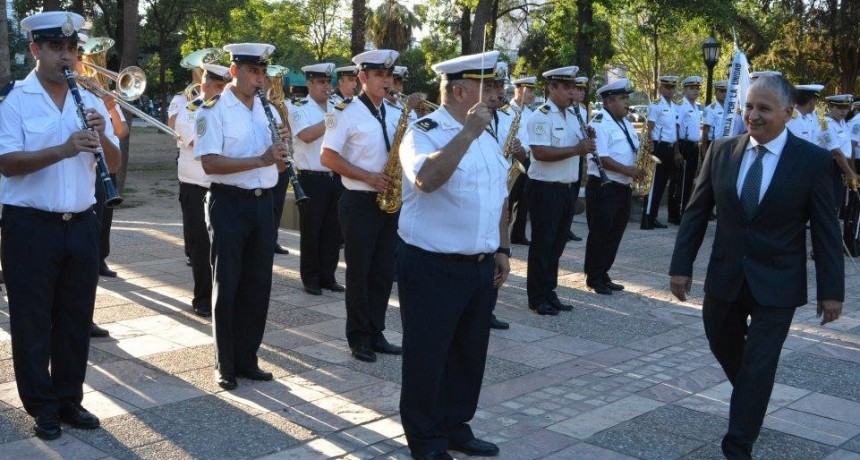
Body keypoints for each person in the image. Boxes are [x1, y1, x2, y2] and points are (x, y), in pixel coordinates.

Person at [669, 74, 844, 459]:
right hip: (726, 275)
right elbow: (696, 213)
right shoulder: (721, 150)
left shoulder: (812, 161)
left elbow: (827, 232)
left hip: (778, 282)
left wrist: (832, 292)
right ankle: (752, 397)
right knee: (724, 344)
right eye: (748, 106)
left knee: (760, 361)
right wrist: (681, 265)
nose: (753, 115)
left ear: (787, 112)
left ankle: (738, 444)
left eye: (763, 108)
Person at [0, 11, 121, 440]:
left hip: (82, 222)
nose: (66, 57)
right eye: (56, 48)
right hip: (30, 226)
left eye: (72, 49)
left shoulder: (88, 98)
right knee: (33, 322)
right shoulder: (12, 98)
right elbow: (8, 164)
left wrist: (102, 134)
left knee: (75, 318)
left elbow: (115, 162)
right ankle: (42, 406)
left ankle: (70, 399)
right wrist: (64, 148)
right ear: (35, 50)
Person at [398, 49, 509, 460]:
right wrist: (466, 135)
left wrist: (500, 247)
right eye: (489, 85)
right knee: (428, 356)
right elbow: (426, 179)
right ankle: (425, 441)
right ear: (460, 91)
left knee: (468, 354)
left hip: (479, 267)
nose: (498, 92)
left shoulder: (491, 133)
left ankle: (455, 425)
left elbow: (498, 194)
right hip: (432, 266)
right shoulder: (423, 131)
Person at [194, 42, 286, 390]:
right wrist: (260, 160)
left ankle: (248, 358)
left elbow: (276, 161)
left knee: (258, 285)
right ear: (235, 71)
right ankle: (225, 363)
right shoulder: (211, 109)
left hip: (264, 204)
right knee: (228, 284)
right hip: (229, 203)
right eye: (253, 71)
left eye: (263, 72)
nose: (260, 79)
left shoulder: (269, 111)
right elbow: (210, 163)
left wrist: (280, 156)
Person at [321, 49, 403, 363]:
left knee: (383, 272)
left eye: (388, 75)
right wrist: (368, 176)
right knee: (360, 272)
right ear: (362, 78)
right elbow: (327, 157)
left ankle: (376, 331)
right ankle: (358, 338)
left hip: (389, 199)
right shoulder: (344, 112)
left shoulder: (395, 112)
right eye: (379, 75)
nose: (386, 80)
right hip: (358, 201)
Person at [525, 66, 595, 314]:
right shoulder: (541, 116)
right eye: (566, 87)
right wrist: (577, 149)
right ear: (551, 88)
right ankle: (536, 297)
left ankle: (549, 290)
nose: (572, 92)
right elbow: (540, 152)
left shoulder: (574, 115)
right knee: (542, 245)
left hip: (567, 188)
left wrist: (587, 140)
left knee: (557, 244)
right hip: (545, 189)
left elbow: (578, 146)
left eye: (574, 87)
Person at [174, 63, 230, 317]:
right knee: (201, 249)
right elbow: (204, 146)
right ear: (204, 86)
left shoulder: (231, 110)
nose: (222, 91)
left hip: (225, 188)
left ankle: (227, 298)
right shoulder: (189, 111)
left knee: (227, 247)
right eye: (218, 86)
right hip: (196, 188)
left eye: (225, 86)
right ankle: (204, 299)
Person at [583, 79, 645, 295]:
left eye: (627, 98)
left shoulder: (625, 122)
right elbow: (602, 157)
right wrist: (629, 171)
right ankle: (593, 276)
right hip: (604, 186)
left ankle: (604, 272)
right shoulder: (600, 122)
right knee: (600, 233)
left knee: (615, 233)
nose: (627, 103)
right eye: (623, 98)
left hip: (622, 187)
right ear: (609, 101)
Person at [291, 62, 345, 295]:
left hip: (336, 176)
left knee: (333, 231)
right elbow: (306, 135)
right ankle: (310, 278)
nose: (326, 87)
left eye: (328, 82)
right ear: (310, 83)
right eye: (321, 82)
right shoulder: (298, 107)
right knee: (312, 230)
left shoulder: (336, 106)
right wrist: (333, 118)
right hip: (311, 178)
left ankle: (328, 275)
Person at [642, 75, 680, 229]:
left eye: (673, 87)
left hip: (670, 148)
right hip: (659, 147)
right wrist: (649, 147)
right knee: (654, 183)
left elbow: (675, 131)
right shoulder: (656, 105)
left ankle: (654, 216)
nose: (671, 90)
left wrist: (677, 152)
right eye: (667, 87)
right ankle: (647, 217)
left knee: (663, 183)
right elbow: (649, 129)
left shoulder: (674, 106)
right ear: (660, 88)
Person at [667, 76, 702, 224]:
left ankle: (683, 210)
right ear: (684, 90)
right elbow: (675, 128)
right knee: (680, 181)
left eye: (697, 88)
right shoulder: (681, 106)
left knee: (688, 181)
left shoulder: (695, 107)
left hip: (693, 147)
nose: (695, 91)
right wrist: (676, 152)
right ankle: (676, 213)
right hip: (683, 146)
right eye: (691, 88)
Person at [508, 76, 536, 245]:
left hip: (526, 158)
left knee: (525, 198)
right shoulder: (508, 111)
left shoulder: (529, 112)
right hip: (513, 159)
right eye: (529, 90)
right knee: (509, 197)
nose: (532, 95)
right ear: (519, 89)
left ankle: (518, 234)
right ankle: (503, 234)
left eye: (533, 91)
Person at [701, 80, 727, 155]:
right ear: (715, 92)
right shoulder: (710, 109)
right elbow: (705, 131)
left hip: (725, 144)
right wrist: (704, 151)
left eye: (725, 91)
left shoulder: (729, 108)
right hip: (713, 144)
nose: (724, 94)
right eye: (721, 91)